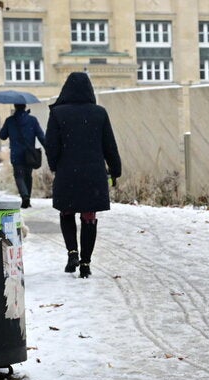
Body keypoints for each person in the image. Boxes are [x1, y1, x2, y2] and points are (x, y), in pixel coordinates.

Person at [44, 72, 122, 279]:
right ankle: (86, 264)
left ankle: (72, 253)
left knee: (66, 212)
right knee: (89, 217)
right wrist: (115, 170)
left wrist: (55, 166)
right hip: (93, 173)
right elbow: (109, 146)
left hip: (67, 172)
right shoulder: (99, 113)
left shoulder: (58, 113)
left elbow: (51, 146)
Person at [0, 104, 45, 209]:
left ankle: (24, 196)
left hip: (16, 154)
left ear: (15, 107)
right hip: (29, 155)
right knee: (28, 176)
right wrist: (49, 148)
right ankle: (27, 199)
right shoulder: (32, 120)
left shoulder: (10, 120)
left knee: (19, 176)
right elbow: (41, 136)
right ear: (25, 107)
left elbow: (2, 136)